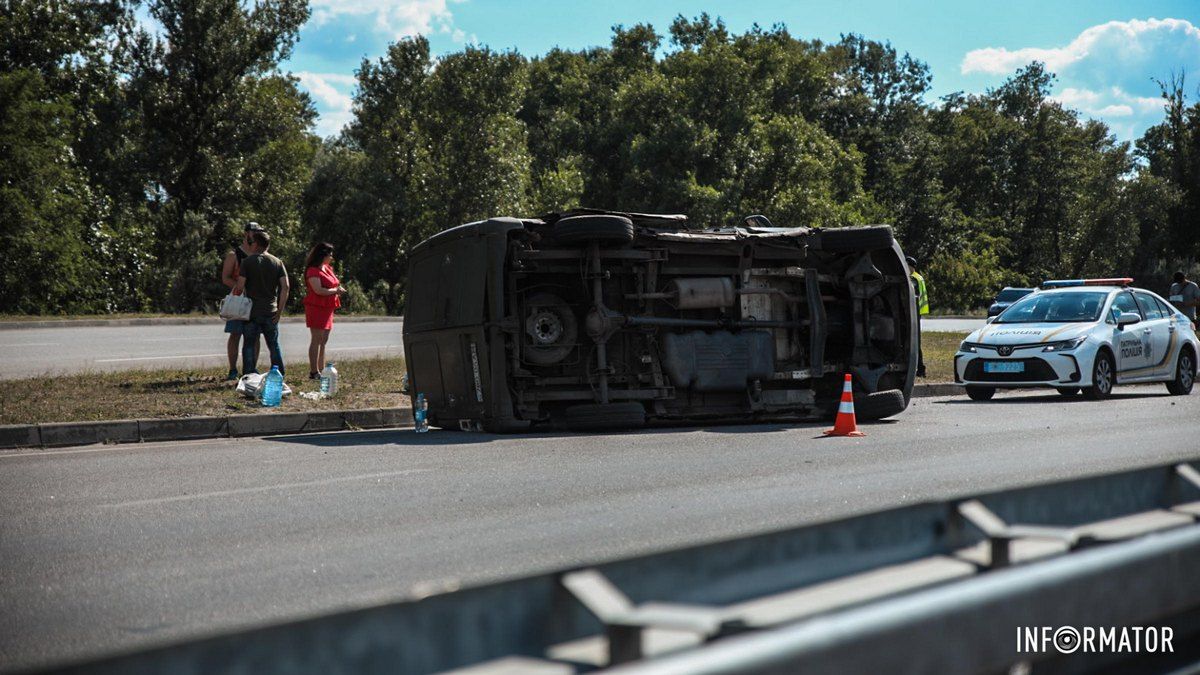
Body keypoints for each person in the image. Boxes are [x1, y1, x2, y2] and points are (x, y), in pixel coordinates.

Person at [235, 230, 289, 376]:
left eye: (251, 242)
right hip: (271, 311)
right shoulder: (277, 262)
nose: (250, 245)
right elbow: (285, 287)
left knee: (249, 345)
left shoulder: (247, 262)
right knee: (273, 345)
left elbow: (239, 287)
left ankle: (248, 375)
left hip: (252, 312)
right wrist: (279, 311)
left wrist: (234, 296)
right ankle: (279, 374)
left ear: (256, 244)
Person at [220, 222, 266, 380]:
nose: (256, 234)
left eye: (259, 231)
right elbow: (225, 278)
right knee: (235, 334)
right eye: (253, 231)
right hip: (239, 301)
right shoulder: (234, 255)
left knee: (256, 336)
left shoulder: (262, 254)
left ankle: (252, 368)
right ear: (246, 233)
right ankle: (233, 370)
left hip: (257, 302)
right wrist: (241, 288)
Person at [303, 242, 347, 379]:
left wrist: (336, 289)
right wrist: (336, 290)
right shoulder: (312, 270)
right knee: (316, 339)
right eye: (330, 254)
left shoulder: (327, 268)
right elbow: (318, 290)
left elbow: (333, 283)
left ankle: (322, 369)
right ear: (322, 255)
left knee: (324, 340)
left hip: (328, 308)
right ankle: (313, 371)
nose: (332, 257)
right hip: (316, 307)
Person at [907, 256, 928, 378]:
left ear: (910, 266)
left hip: (913, 313)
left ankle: (920, 369)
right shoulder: (919, 277)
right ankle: (920, 369)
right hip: (917, 313)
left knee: (914, 343)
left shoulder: (913, 278)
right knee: (916, 343)